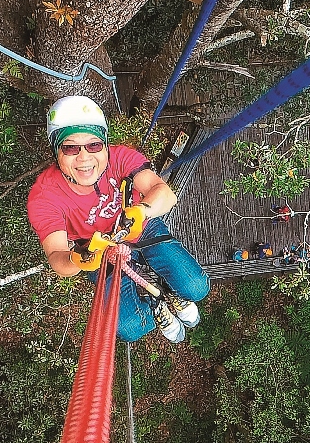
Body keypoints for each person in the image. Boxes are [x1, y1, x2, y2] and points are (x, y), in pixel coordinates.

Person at [27, 96, 210, 344]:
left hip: (142, 230)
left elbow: (164, 193)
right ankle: (154, 306)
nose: (84, 158)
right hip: (100, 254)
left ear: (105, 145)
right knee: (131, 328)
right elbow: (57, 259)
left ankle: (172, 292)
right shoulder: (45, 195)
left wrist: (142, 211)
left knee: (196, 287)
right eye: (70, 148)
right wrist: (81, 257)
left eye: (93, 145)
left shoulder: (121, 158)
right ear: (56, 151)